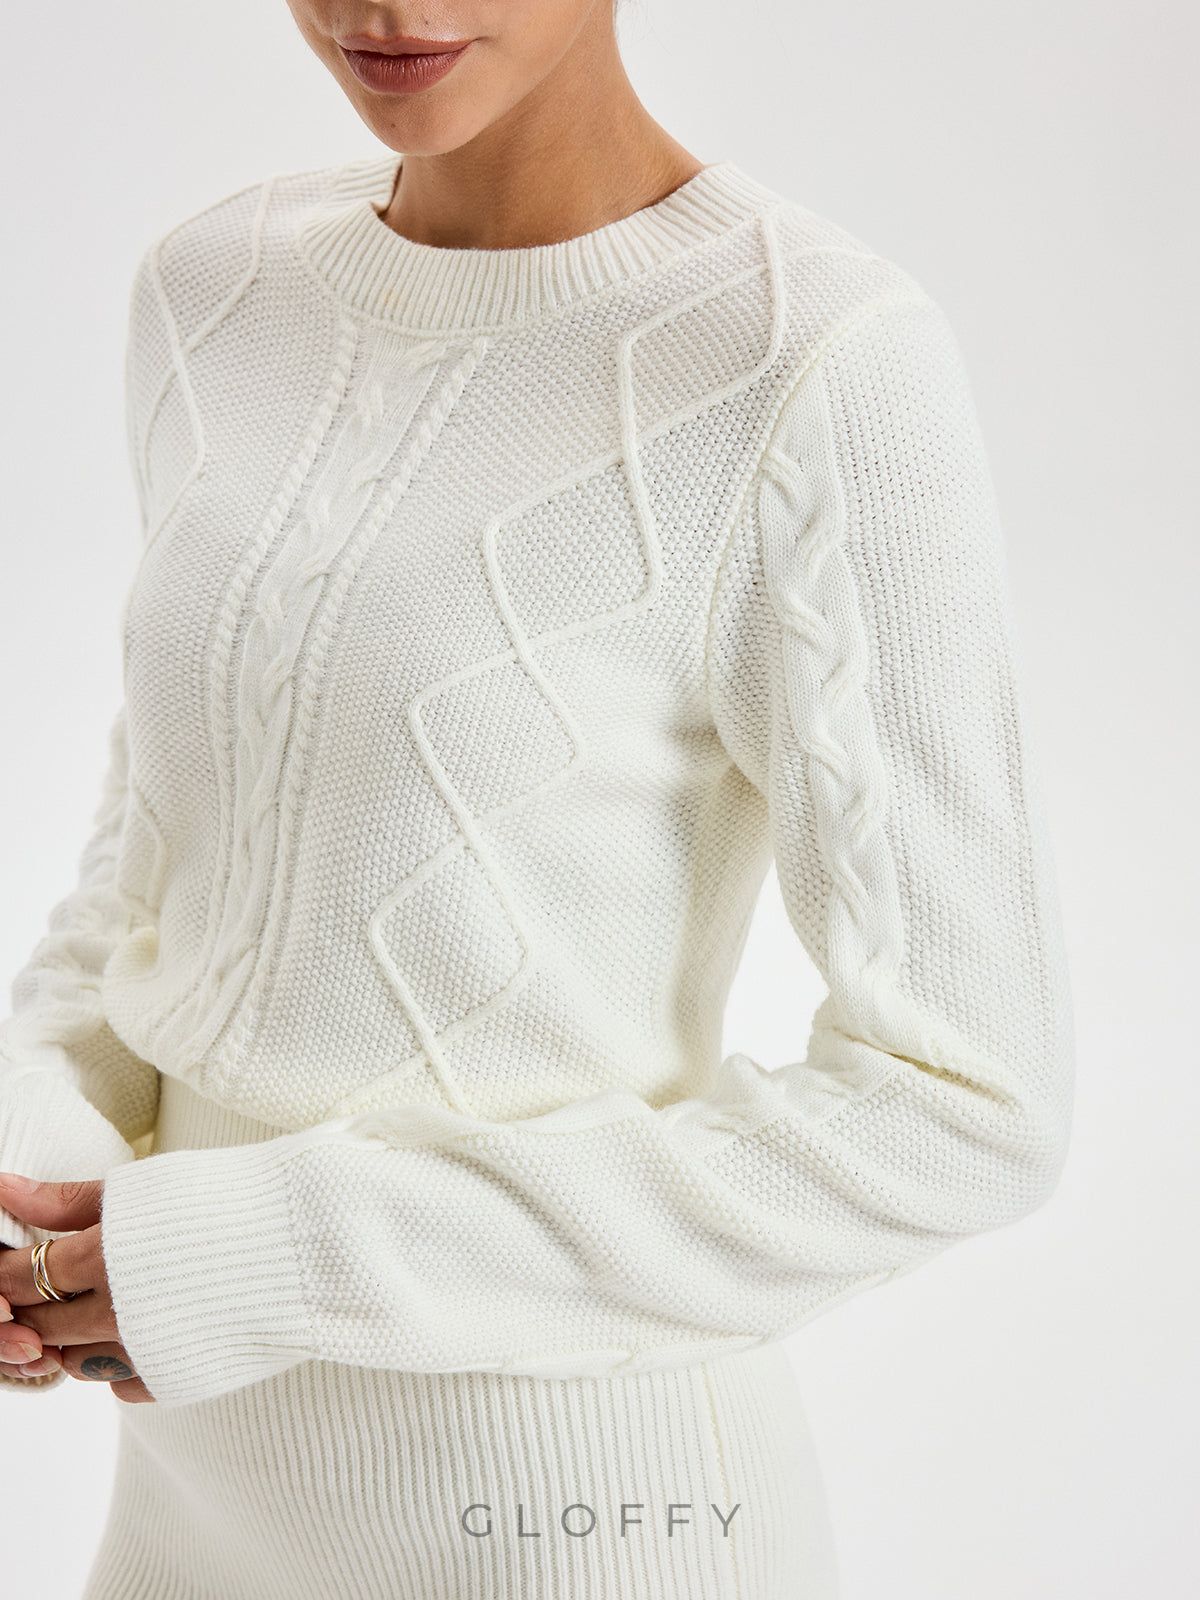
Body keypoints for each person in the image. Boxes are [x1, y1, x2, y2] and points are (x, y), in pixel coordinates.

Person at [0, 1, 1076, 1595]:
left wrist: (283, 1256)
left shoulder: (812, 358)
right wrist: (36, 1162)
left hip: (584, 1517)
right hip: (186, 1510)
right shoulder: (212, 291)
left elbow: (966, 1107)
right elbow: (169, 843)